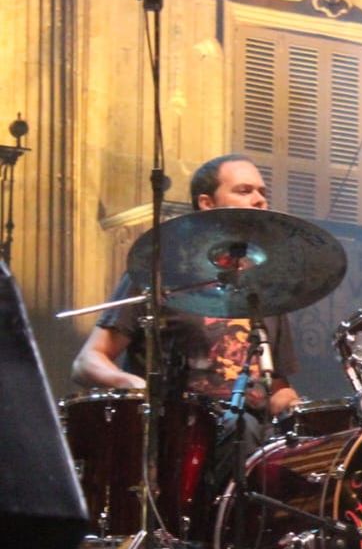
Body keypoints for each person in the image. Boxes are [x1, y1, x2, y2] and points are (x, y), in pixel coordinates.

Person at [73, 154, 301, 504]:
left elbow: (277, 388)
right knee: (241, 427)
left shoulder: (264, 288)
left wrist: (299, 411)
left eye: (262, 191)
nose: (259, 200)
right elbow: (88, 360)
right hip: (181, 437)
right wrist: (133, 385)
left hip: (253, 441)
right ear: (207, 204)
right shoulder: (165, 272)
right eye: (244, 190)